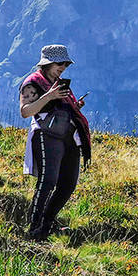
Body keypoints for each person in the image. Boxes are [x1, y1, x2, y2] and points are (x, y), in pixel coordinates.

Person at [19, 45, 91, 241]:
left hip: (69, 136)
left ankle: (47, 223)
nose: (63, 67)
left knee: (68, 183)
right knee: (47, 181)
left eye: (66, 64)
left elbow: (59, 107)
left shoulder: (58, 83)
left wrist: (75, 107)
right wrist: (49, 96)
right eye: (60, 63)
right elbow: (25, 111)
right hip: (46, 135)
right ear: (48, 63)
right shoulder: (32, 83)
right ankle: (34, 228)